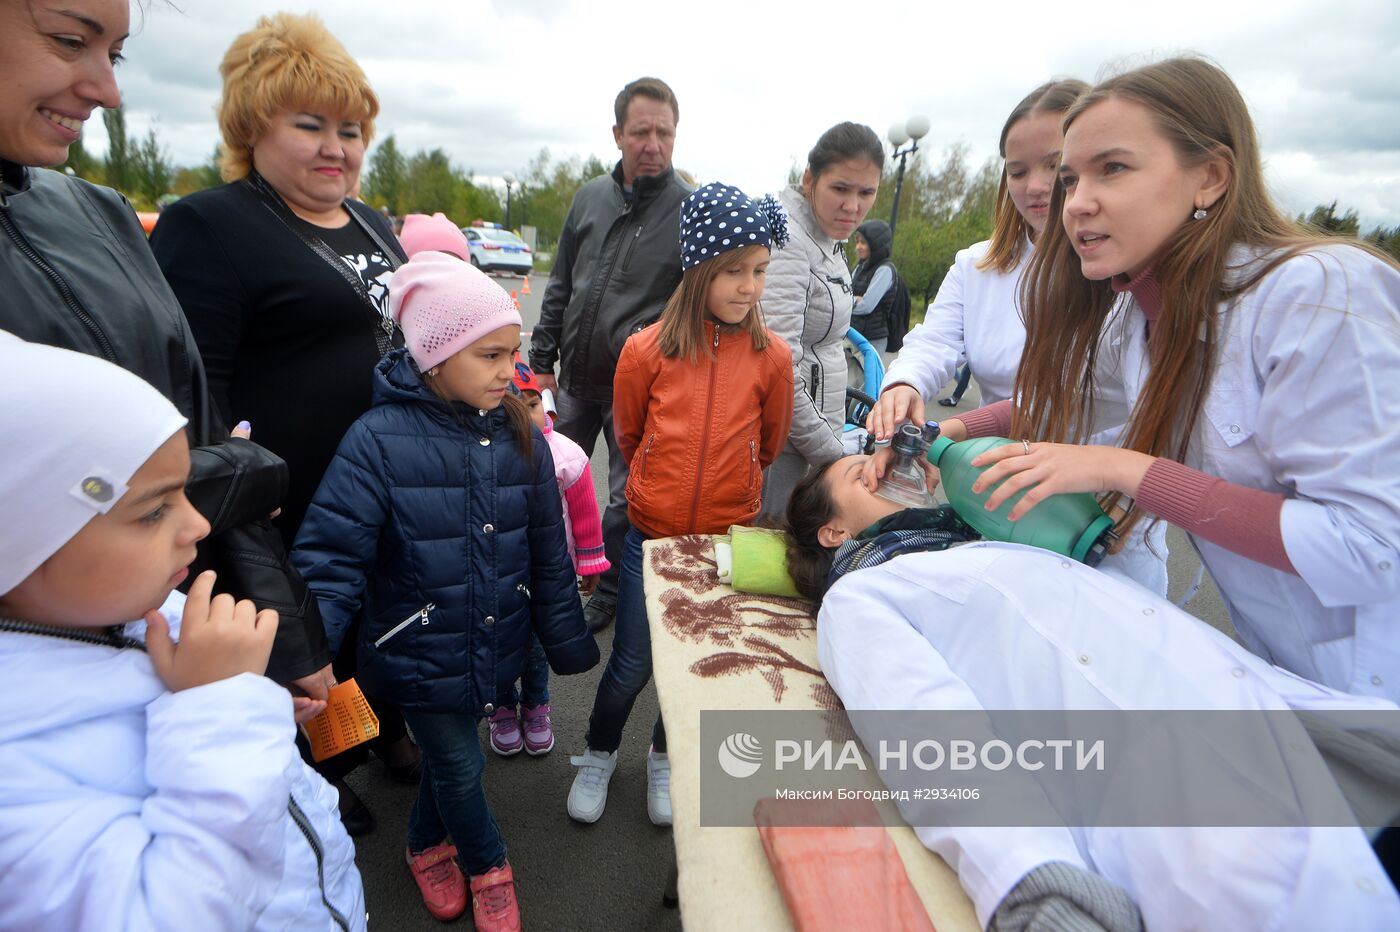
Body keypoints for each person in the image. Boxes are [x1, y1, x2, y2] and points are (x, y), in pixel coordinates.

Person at [912, 57, 1400, 703]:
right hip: (1288, 682)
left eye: (1112, 168)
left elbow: (1372, 549)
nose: (1075, 202)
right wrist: (931, 431)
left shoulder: (1315, 293)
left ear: (1210, 177)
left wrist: (1122, 470)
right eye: (1070, 178)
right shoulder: (1136, 319)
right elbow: (1062, 406)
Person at [783, 455, 1400, 931]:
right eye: (864, 473)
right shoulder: (862, 597)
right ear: (834, 532)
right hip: (1219, 819)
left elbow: (1133, 594)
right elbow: (930, 735)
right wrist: (1038, 884)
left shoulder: (987, 539)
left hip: (1319, 734)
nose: (887, 470)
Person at [0, 0, 334, 714]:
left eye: (114, 54)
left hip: (182, 631)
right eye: (69, 40)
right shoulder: (210, 225)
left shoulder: (97, 214)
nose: (107, 90)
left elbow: (199, 447)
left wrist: (284, 632)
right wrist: (247, 467)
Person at [148, 11, 419, 833]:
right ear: (251, 124)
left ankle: (377, 728)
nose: (337, 146)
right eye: (311, 125)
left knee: (377, 617)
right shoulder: (212, 223)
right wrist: (232, 497)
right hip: (287, 498)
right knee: (299, 644)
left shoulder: (372, 222)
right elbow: (197, 380)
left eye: (350, 128)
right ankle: (315, 772)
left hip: (384, 483)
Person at [0, 335, 365, 931]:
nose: (198, 524)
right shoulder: (13, 774)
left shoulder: (127, 608)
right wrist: (221, 710)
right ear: (22, 540)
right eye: (152, 510)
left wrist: (256, 710)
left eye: (185, 492)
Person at [292, 253, 599, 928]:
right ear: (434, 357)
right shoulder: (376, 440)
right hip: (417, 649)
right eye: (489, 355)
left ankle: (424, 843)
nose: (507, 370)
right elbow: (331, 557)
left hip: (496, 641)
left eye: (512, 353)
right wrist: (304, 655)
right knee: (462, 765)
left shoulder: (521, 433)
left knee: (449, 757)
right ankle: (489, 864)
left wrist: (564, 638)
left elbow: (549, 549)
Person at [865, 81, 1170, 597]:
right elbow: (935, 342)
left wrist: (953, 431)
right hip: (990, 494)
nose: (1036, 186)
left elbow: (1095, 405)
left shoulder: (1128, 273)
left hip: (1102, 517)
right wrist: (906, 386)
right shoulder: (978, 265)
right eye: (1018, 170)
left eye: (1056, 167)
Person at [568, 183, 795, 827]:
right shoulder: (645, 350)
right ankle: (599, 754)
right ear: (697, 268)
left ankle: (664, 759)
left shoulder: (772, 358)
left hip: (722, 546)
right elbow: (630, 435)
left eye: (759, 270)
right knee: (633, 663)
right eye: (734, 270)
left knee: (692, 670)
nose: (750, 286)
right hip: (651, 540)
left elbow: (771, 442)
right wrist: (659, 488)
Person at [528, 77, 691, 633]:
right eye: (641, 131)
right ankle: (554, 572)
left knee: (625, 497)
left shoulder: (686, 208)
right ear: (618, 134)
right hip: (572, 376)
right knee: (551, 479)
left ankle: (612, 590)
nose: (653, 144)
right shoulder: (589, 197)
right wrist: (542, 360)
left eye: (664, 132)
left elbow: (693, 302)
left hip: (637, 386)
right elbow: (560, 284)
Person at [486, 355, 611, 758]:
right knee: (500, 643)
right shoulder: (487, 454)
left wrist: (590, 562)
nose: (526, 413)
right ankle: (503, 708)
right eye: (514, 405)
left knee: (538, 647)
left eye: (532, 403)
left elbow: (586, 515)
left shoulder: (567, 454)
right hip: (499, 573)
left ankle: (536, 706)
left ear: (546, 405)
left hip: (549, 572)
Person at [759, 122, 883, 516]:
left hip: (815, 432)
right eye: (841, 189)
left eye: (867, 193)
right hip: (785, 443)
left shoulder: (828, 237)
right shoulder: (791, 242)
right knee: (770, 545)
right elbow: (780, 366)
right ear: (810, 178)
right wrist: (830, 448)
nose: (853, 207)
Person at [849, 219, 896, 354]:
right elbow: (843, 294)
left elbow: (866, 306)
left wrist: (848, 302)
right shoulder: (860, 267)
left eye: (863, 242)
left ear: (876, 244)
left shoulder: (885, 270)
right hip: (855, 334)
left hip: (873, 340)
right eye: (857, 242)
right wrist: (854, 299)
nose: (858, 246)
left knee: (867, 375)